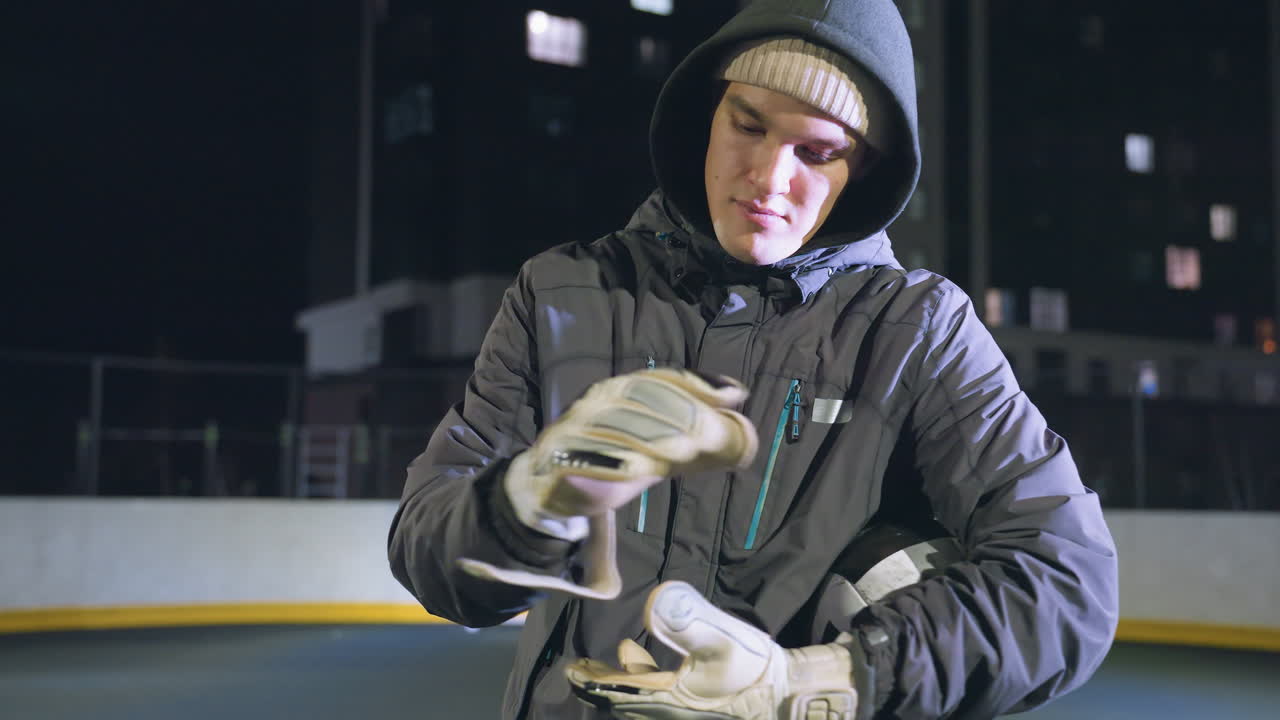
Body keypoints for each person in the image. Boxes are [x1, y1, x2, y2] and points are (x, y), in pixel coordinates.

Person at [388, 0, 1119, 718]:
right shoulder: (563, 293)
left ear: (863, 168)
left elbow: (1066, 585)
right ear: (704, 115)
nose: (770, 178)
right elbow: (429, 556)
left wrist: (816, 684)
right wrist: (528, 499)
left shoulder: (918, 330)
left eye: (818, 151)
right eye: (748, 125)